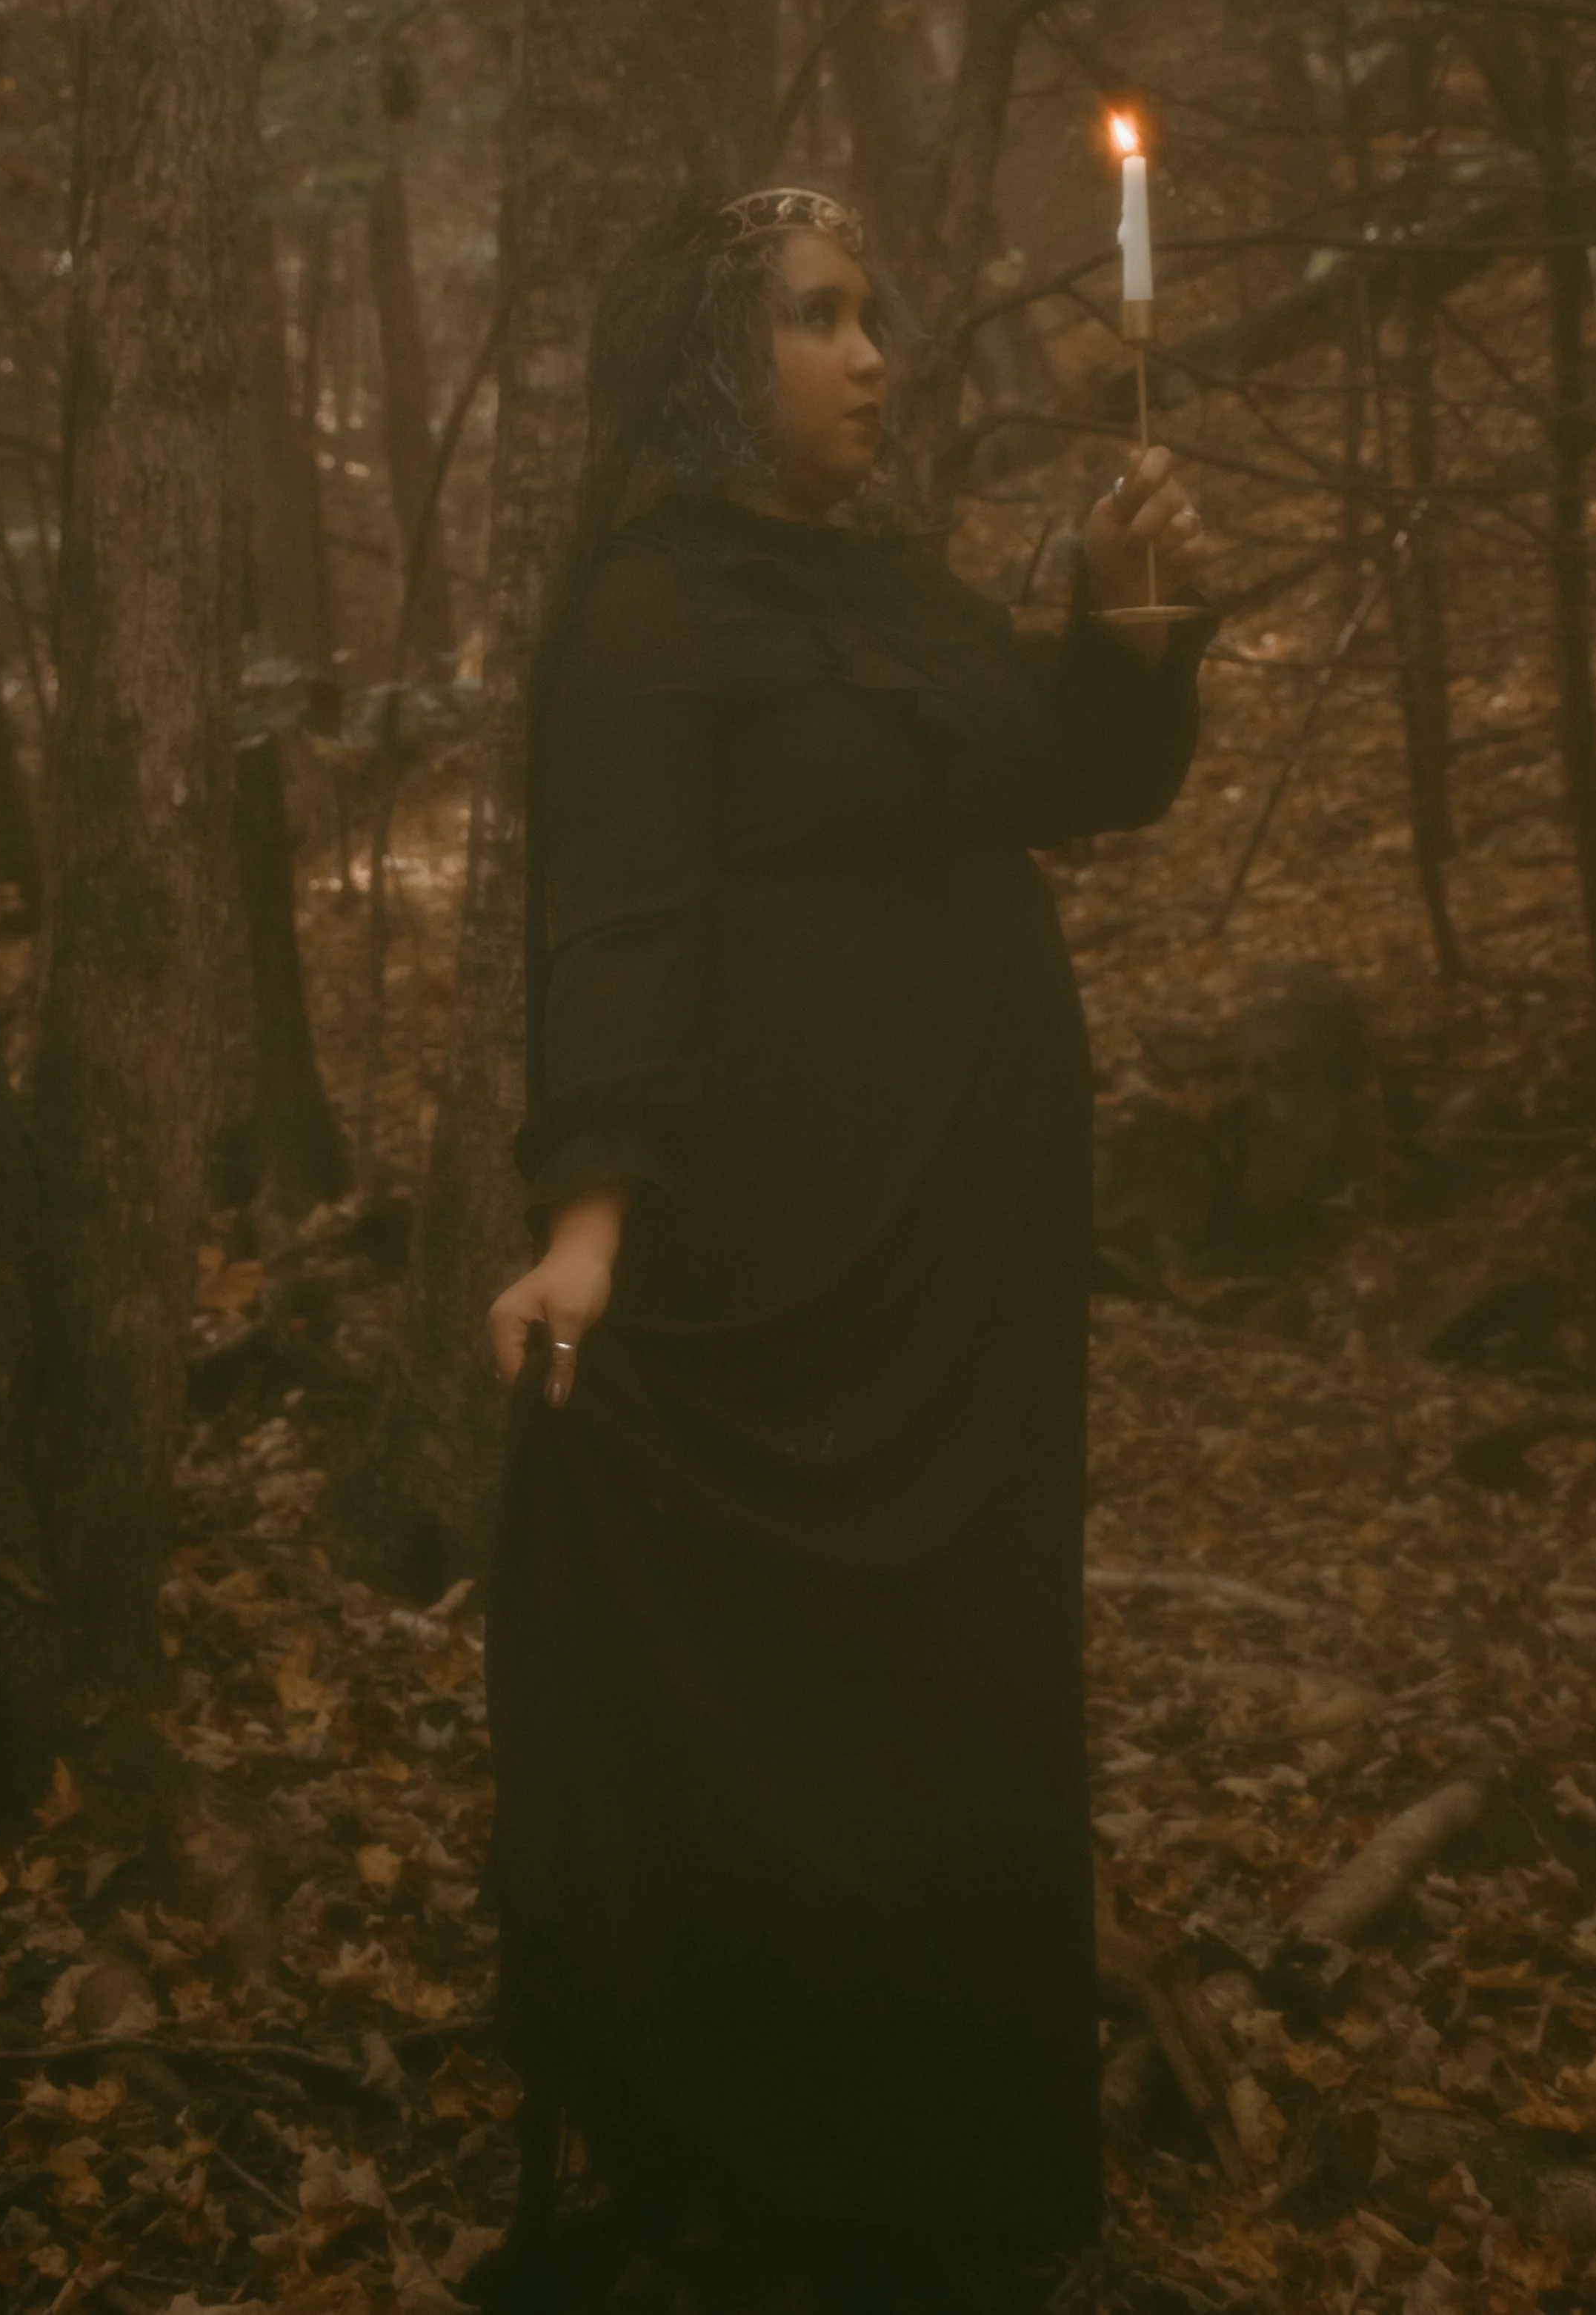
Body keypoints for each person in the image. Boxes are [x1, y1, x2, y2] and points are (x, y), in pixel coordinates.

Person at [476, 186, 1211, 2314]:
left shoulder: (890, 590)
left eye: (868, 314)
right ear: (718, 358)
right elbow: (618, 933)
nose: (873, 354)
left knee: (960, 1680)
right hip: (787, 1256)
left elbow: (1070, 775)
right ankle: (769, 2165)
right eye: (819, 316)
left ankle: (946, 2171)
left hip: (963, 1264)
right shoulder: (644, 613)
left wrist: (1128, 620)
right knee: (798, 1695)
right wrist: (585, 1231)